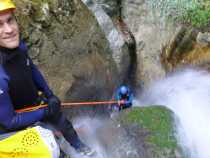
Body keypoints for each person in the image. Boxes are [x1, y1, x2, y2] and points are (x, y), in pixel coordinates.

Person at [0, 0, 94, 156]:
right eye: (0, 25)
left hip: (35, 105)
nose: (9, 30)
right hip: (15, 127)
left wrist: (50, 95)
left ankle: (82, 149)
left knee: (62, 121)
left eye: (10, 20)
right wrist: (45, 112)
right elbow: (10, 122)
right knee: (53, 150)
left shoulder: (19, 47)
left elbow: (31, 69)